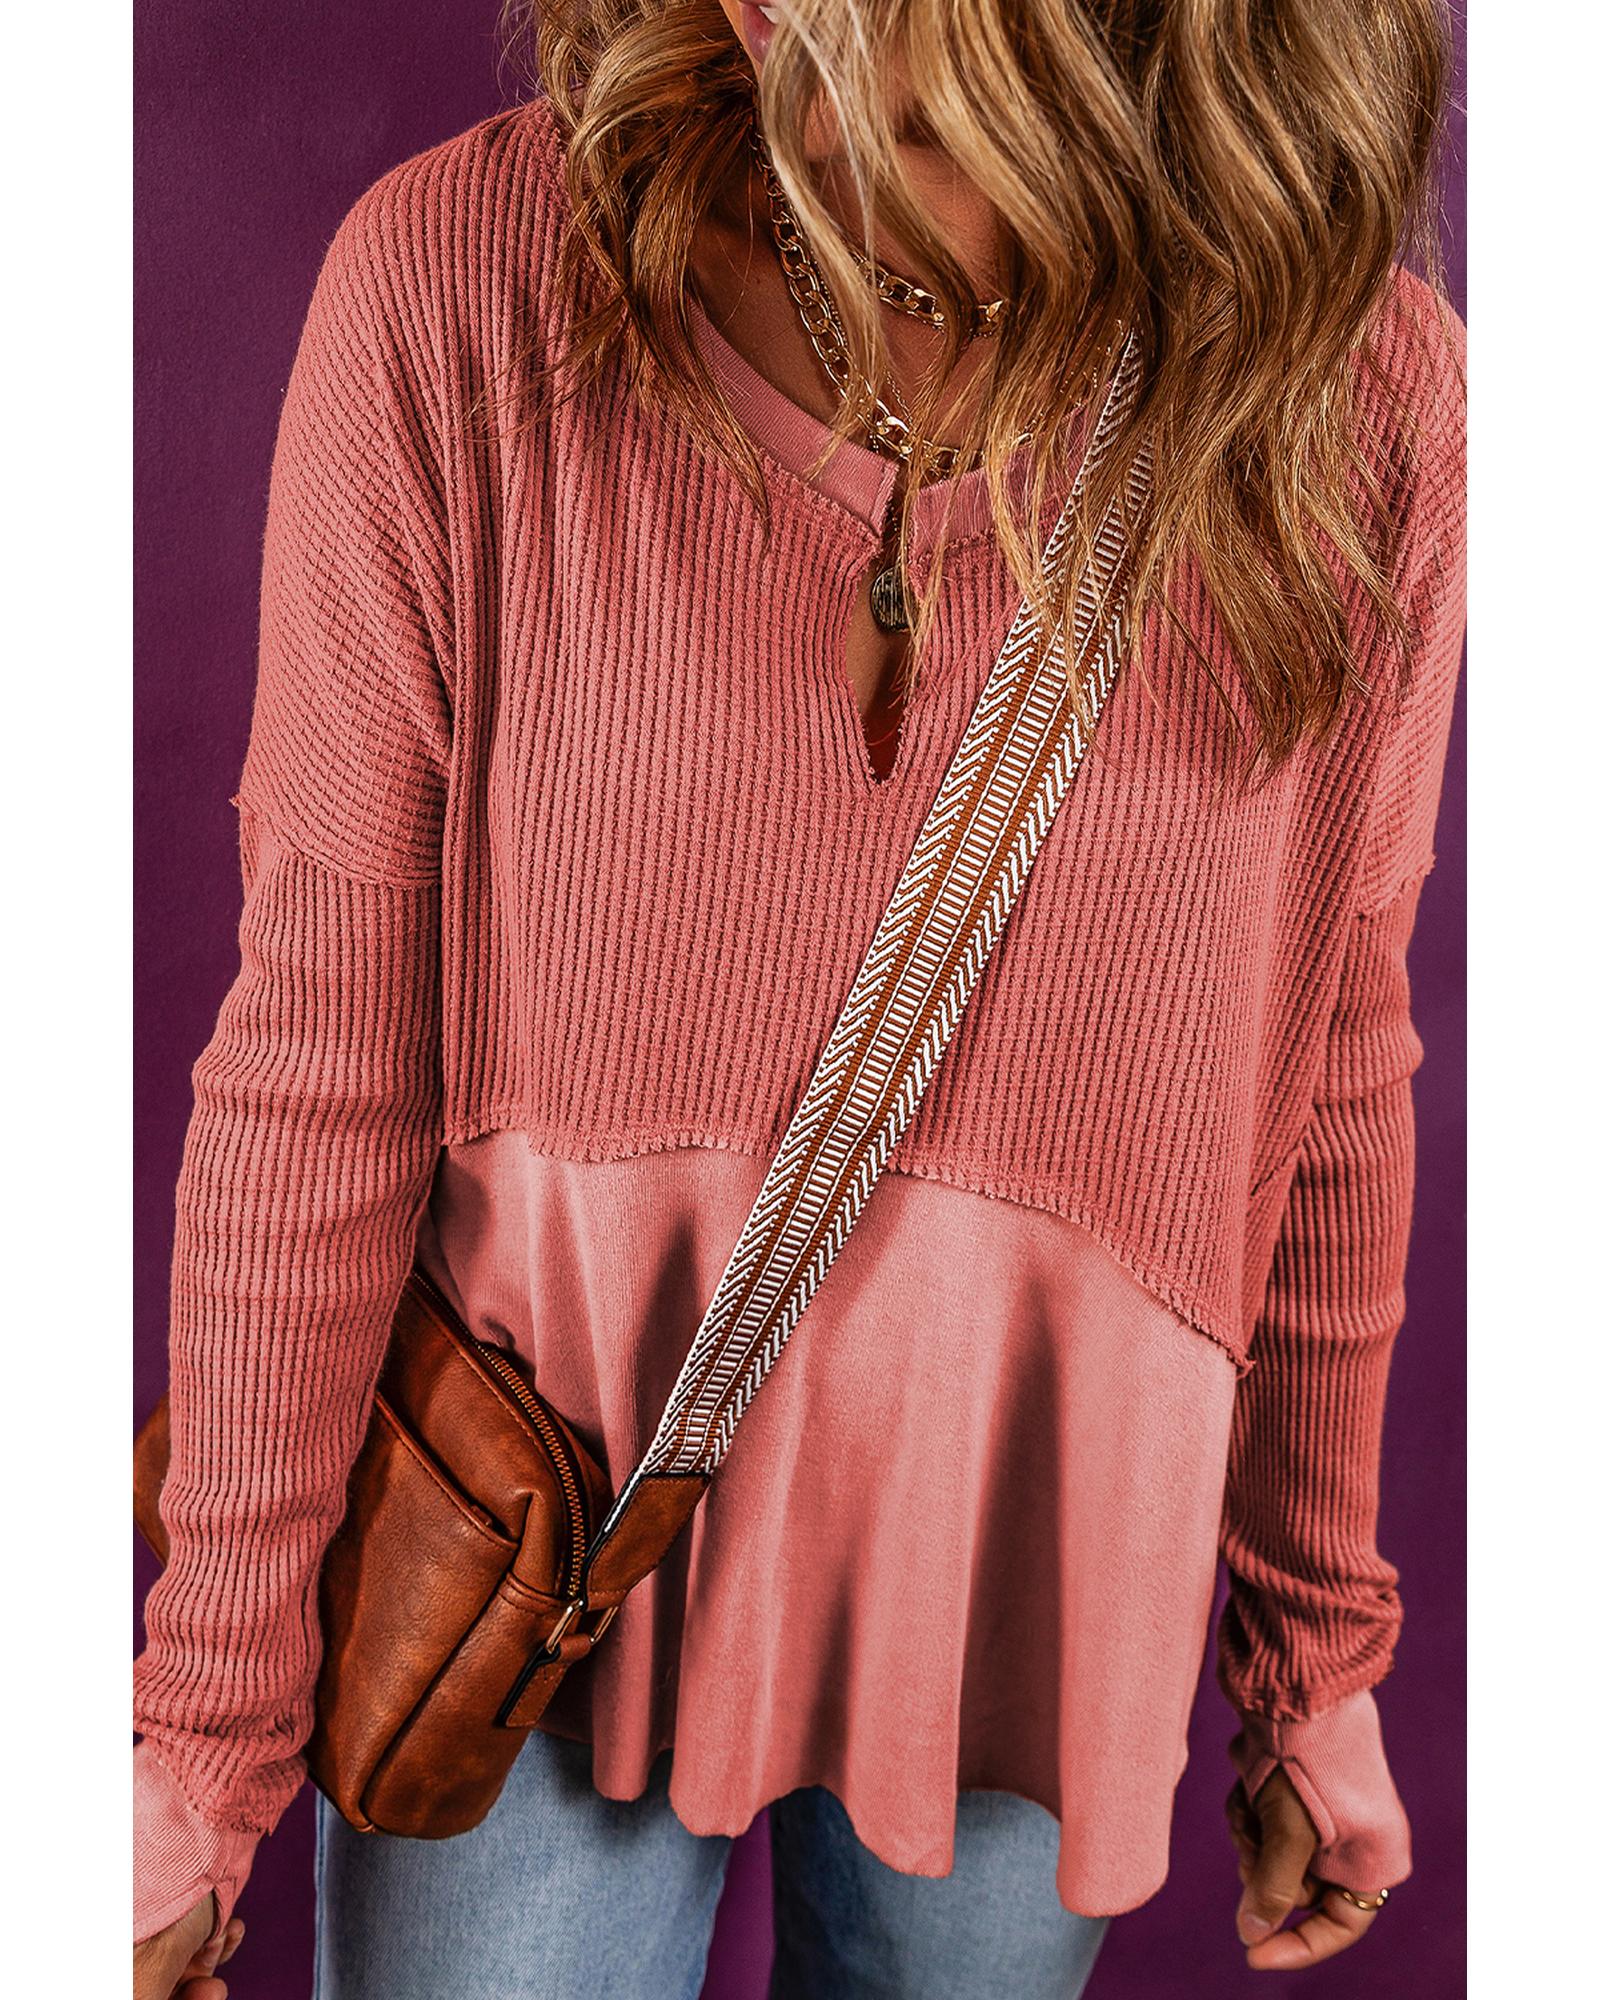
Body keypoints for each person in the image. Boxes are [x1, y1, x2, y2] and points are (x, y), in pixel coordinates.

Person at [132, 1, 1467, 1995]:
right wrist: (197, 1736)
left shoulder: (1353, 397)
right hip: (526, 1557)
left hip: (1027, 1571)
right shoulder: (468, 290)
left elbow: (1325, 1059)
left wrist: (1312, 1652)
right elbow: (319, 1062)